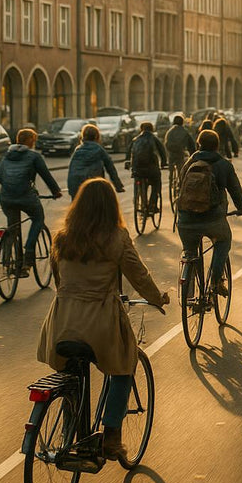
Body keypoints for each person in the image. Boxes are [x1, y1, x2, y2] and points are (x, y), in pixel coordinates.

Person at [36, 178, 170, 462]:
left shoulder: (62, 236)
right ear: (112, 206)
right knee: (123, 367)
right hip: (100, 321)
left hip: (62, 321)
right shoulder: (117, 237)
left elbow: (58, 280)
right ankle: (111, 436)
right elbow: (138, 275)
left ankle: (68, 430)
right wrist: (158, 298)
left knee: (71, 372)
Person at [177, 130, 242, 296]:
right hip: (213, 220)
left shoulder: (189, 164)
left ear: (198, 144)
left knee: (190, 253)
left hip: (186, 221)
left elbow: (180, 189)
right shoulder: (224, 165)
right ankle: (216, 281)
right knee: (223, 241)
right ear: (217, 146)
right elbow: (235, 189)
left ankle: (188, 292)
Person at [0, 128, 62, 276]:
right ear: (30, 141)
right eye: (34, 140)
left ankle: (8, 260)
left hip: (6, 198)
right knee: (38, 218)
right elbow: (45, 175)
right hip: (26, 197)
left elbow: (0, 177)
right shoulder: (33, 156)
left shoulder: (6, 155)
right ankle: (29, 254)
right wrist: (55, 192)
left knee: (12, 226)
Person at [67, 124, 124, 198]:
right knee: (101, 204)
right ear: (96, 136)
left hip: (75, 186)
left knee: (76, 207)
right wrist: (118, 186)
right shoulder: (99, 149)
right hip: (94, 185)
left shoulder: (77, 150)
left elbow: (71, 169)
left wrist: (71, 189)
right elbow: (110, 168)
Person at [124, 121, 168, 212]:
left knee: (139, 181)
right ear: (152, 129)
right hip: (151, 169)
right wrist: (163, 163)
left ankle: (140, 202)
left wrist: (128, 163)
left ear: (141, 129)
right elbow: (162, 152)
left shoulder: (135, 139)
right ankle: (152, 205)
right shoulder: (154, 139)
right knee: (156, 183)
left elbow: (128, 152)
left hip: (137, 169)